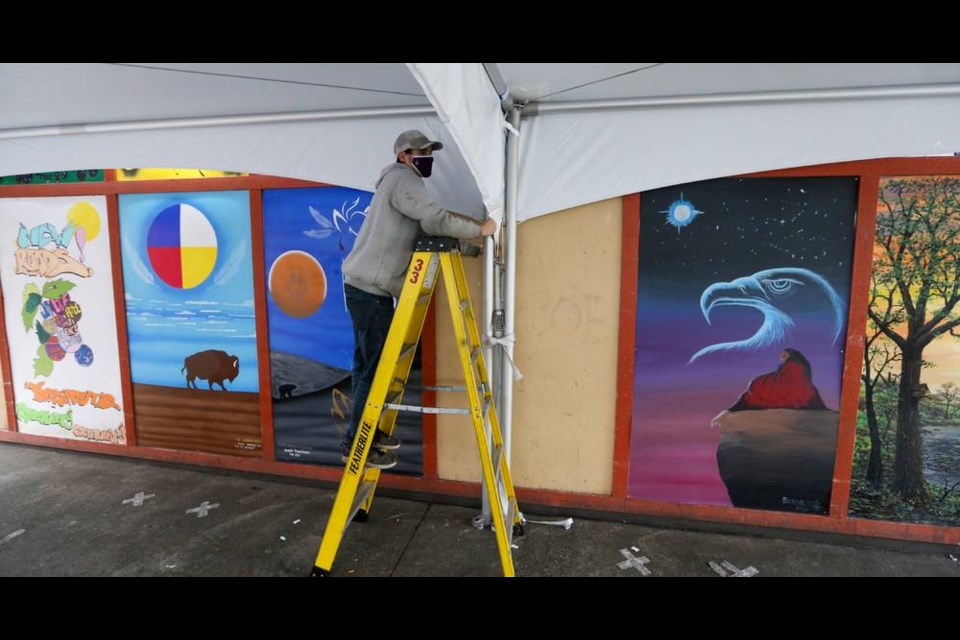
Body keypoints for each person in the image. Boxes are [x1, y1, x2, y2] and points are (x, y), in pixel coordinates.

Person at [339, 129, 497, 469]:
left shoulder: (395, 184)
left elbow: (426, 231)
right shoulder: (402, 179)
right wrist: (481, 230)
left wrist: (471, 249)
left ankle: (364, 434)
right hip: (371, 290)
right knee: (373, 369)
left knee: (367, 366)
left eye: (430, 151)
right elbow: (435, 219)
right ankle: (358, 444)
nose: (427, 157)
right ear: (403, 156)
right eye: (421, 151)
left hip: (364, 286)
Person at [711, 348, 828, 428]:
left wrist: (761, 381)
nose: (781, 356)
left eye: (784, 354)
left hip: (786, 393)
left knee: (753, 393)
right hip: (794, 393)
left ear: (791, 355)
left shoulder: (794, 365)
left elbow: (788, 380)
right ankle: (727, 413)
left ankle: (727, 413)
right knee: (752, 393)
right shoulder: (798, 366)